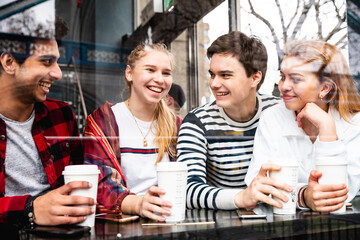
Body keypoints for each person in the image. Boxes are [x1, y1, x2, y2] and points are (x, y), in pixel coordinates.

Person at [176, 31, 288, 210]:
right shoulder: (196, 122)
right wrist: (241, 197)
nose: (213, 83)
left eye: (225, 75)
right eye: (212, 74)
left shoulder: (279, 111)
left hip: (279, 217)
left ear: (255, 78)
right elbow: (187, 190)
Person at [245, 39, 360, 212]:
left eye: (295, 79)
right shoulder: (272, 117)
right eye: (283, 77)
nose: (283, 86)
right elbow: (256, 184)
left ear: (325, 88)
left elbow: (339, 195)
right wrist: (304, 196)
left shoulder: (354, 122)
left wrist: (327, 128)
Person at [0, 36, 93, 227]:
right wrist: (29, 209)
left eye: (57, 62)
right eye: (47, 61)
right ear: (9, 62)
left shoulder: (62, 115)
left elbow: (79, 183)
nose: (58, 73)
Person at [83, 43, 182, 221]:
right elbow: (97, 180)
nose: (159, 79)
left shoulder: (177, 126)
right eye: (150, 70)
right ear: (129, 73)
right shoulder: (104, 121)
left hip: (169, 220)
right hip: (120, 226)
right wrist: (137, 204)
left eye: (166, 73)